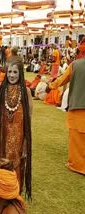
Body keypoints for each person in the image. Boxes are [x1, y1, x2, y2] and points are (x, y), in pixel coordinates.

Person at [0, 59, 32, 199]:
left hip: (18, 140)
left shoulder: (26, 93)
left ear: (21, 74)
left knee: (17, 165)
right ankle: (0, 192)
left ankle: (14, 197)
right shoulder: (1, 90)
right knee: (2, 163)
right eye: (9, 72)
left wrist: (25, 143)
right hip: (2, 138)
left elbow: (28, 121)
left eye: (15, 72)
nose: (12, 75)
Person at [46, 37, 85, 175]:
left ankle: (78, 165)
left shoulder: (75, 65)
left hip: (77, 106)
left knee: (76, 139)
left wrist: (50, 86)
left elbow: (62, 79)